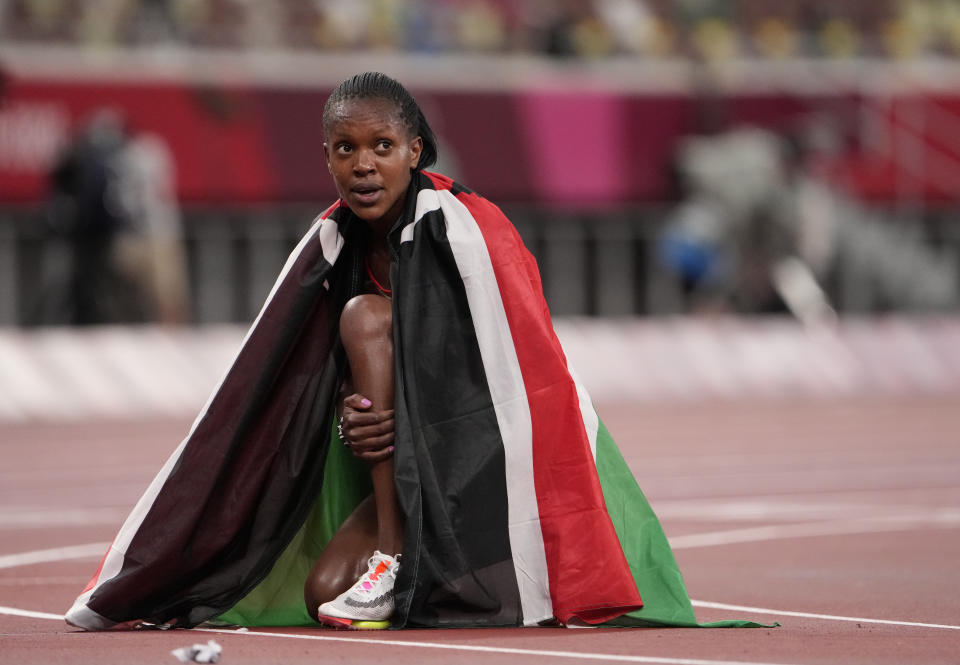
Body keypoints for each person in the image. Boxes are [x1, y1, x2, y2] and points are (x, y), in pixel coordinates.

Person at [65, 73, 763, 632]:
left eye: (382, 147)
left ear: (415, 153)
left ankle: (397, 554)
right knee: (322, 595)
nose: (363, 165)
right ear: (328, 158)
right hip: (397, 469)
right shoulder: (332, 242)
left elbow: (519, 365)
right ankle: (394, 555)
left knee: (367, 316)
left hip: (481, 468)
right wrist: (352, 412)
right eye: (345, 149)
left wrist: (407, 413)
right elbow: (270, 376)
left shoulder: (463, 227)